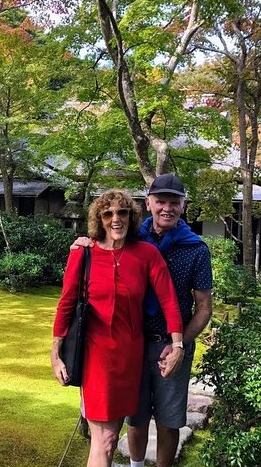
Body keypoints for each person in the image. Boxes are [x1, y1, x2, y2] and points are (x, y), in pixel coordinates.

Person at [72, 174, 213, 467]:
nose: (167, 208)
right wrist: (87, 241)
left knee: (168, 419)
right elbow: (105, 244)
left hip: (171, 346)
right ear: (148, 203)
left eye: (174, 202)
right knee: (135, 417)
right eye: (160, 201)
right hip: (130, 346)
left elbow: (203, 308)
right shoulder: (134, 237)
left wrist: (179, 346)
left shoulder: (196, 249)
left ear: (183, 206)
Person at [50, 189, 184, 467]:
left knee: (109, 438)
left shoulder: (146, 253)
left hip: (130, 357)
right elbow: (66, 303)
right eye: (107, 213)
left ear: (131, 217)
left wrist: (178, 344)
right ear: (99, 219)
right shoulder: (83, 254)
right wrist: (55, 351)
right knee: (107, 439)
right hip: (96, 356)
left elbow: (169, 300)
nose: (115, 219)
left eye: (122, 212)